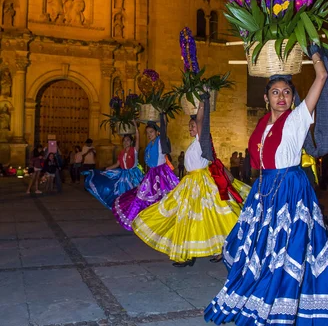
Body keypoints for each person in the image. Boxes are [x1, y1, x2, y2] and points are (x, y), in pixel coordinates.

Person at [204, 49, 328, 326]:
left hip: (290, 192)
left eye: (287, 92)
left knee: (282, 257)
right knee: (254, 252)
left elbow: (321, 76)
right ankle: (260, 305)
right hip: (264, 192)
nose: (281, 97)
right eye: (276, 92)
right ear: (266, 98)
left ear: (294, 98)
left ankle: (269, 323)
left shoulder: (298, 118)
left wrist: (315, 52)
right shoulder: (261, 125)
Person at [132, 98, 244, 267]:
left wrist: (201, 103)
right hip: (191, 183)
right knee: (188, 219)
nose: (191, 128)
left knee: (209, 217)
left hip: (201, 183)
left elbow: (200, 121)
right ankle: (188, 253)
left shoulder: (201, 139)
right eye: (189, 126)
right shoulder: (194, 143)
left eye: (193, 126)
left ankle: (217, 249)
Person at [113, 119, 179, 229]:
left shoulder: (160, 141)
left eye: (151, 132)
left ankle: (165, 222)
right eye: (147, 133)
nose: (149, 135)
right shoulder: (149, 145)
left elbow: (164, 130)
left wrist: (162, 117)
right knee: (142, 197)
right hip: (152, 173)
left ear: (157, 132)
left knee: (163, 198)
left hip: (161, 174)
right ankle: (139, 219)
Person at [82, 128, 144, 209]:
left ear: (131, 142)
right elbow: (117, 164)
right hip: (124, 175)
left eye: (128, 140)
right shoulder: (121, 152)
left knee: (134, 194)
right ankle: (126, 212)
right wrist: (105, 169)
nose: (126, 142)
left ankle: (135, 210)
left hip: (133, 175)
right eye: (124, 140)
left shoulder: (134, 150)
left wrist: (135, 127)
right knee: (123, 194)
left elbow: (137, 137)